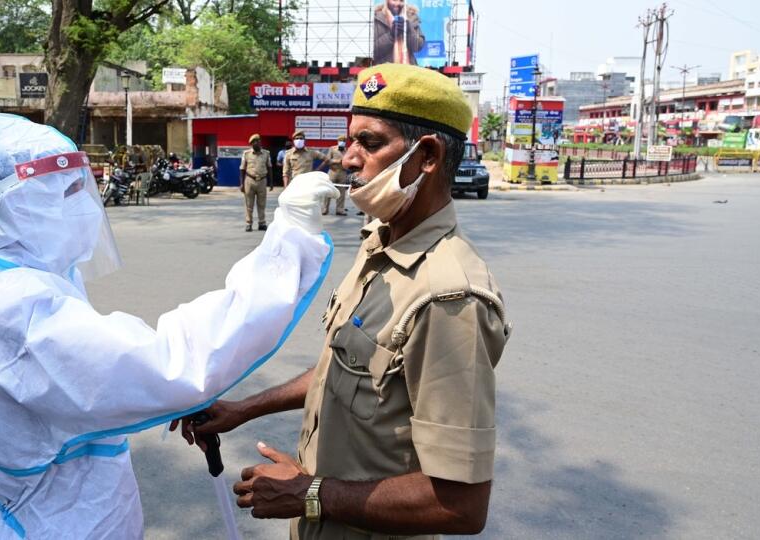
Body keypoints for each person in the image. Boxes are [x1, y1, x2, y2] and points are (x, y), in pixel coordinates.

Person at [0, 113, 340, 539]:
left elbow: (83, 386)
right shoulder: (20, 309)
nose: (85, 204)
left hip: (52, 506)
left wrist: (161, 401)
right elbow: (172, 362)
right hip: (59, 522)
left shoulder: (15, 278)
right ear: (23, 202)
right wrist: (292, 239)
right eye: (70, 191)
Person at [177, 63, 512, 539]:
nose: (349, 159)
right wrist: (242, 409)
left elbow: (460, 505)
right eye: (349, 142)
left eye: (370, 143)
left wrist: (310, 493)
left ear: (428, 156)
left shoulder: (447, 298)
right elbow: (348, 367)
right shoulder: (381, 242)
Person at [373, 0, 425, 65]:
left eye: (401, 0)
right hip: (383, 72)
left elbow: (418, 47)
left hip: (408, 71)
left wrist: (409, 30)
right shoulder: (376, 18)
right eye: (394, 0)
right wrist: (391, 36)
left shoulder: (412, 17)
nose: (397, 3)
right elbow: (372, 50)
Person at [240, 133, 273, 232]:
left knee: (261, 203)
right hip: (249, 180)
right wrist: (241, 184)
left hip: (262, 181)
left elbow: (270, 167)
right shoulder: (246, 154)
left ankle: (262, 223)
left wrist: (271, 183)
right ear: (252, 144)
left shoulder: (266, 153)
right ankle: (248, 223)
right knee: (249, 204)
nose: (257, 143)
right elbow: (242, 168)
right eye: (255, 142)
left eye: (258, 141)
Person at [318, 135, 349, 216]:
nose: (342, 141)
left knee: (341, 193)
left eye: (344, 140)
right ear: (337, 141)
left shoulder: (347, 150)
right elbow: (327, 160)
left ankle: (340, 210)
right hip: (332, 171)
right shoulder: (332, 149)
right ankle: (324, 209)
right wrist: (337, 161)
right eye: (340, 140)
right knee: (328, 191)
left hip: (342, 172)